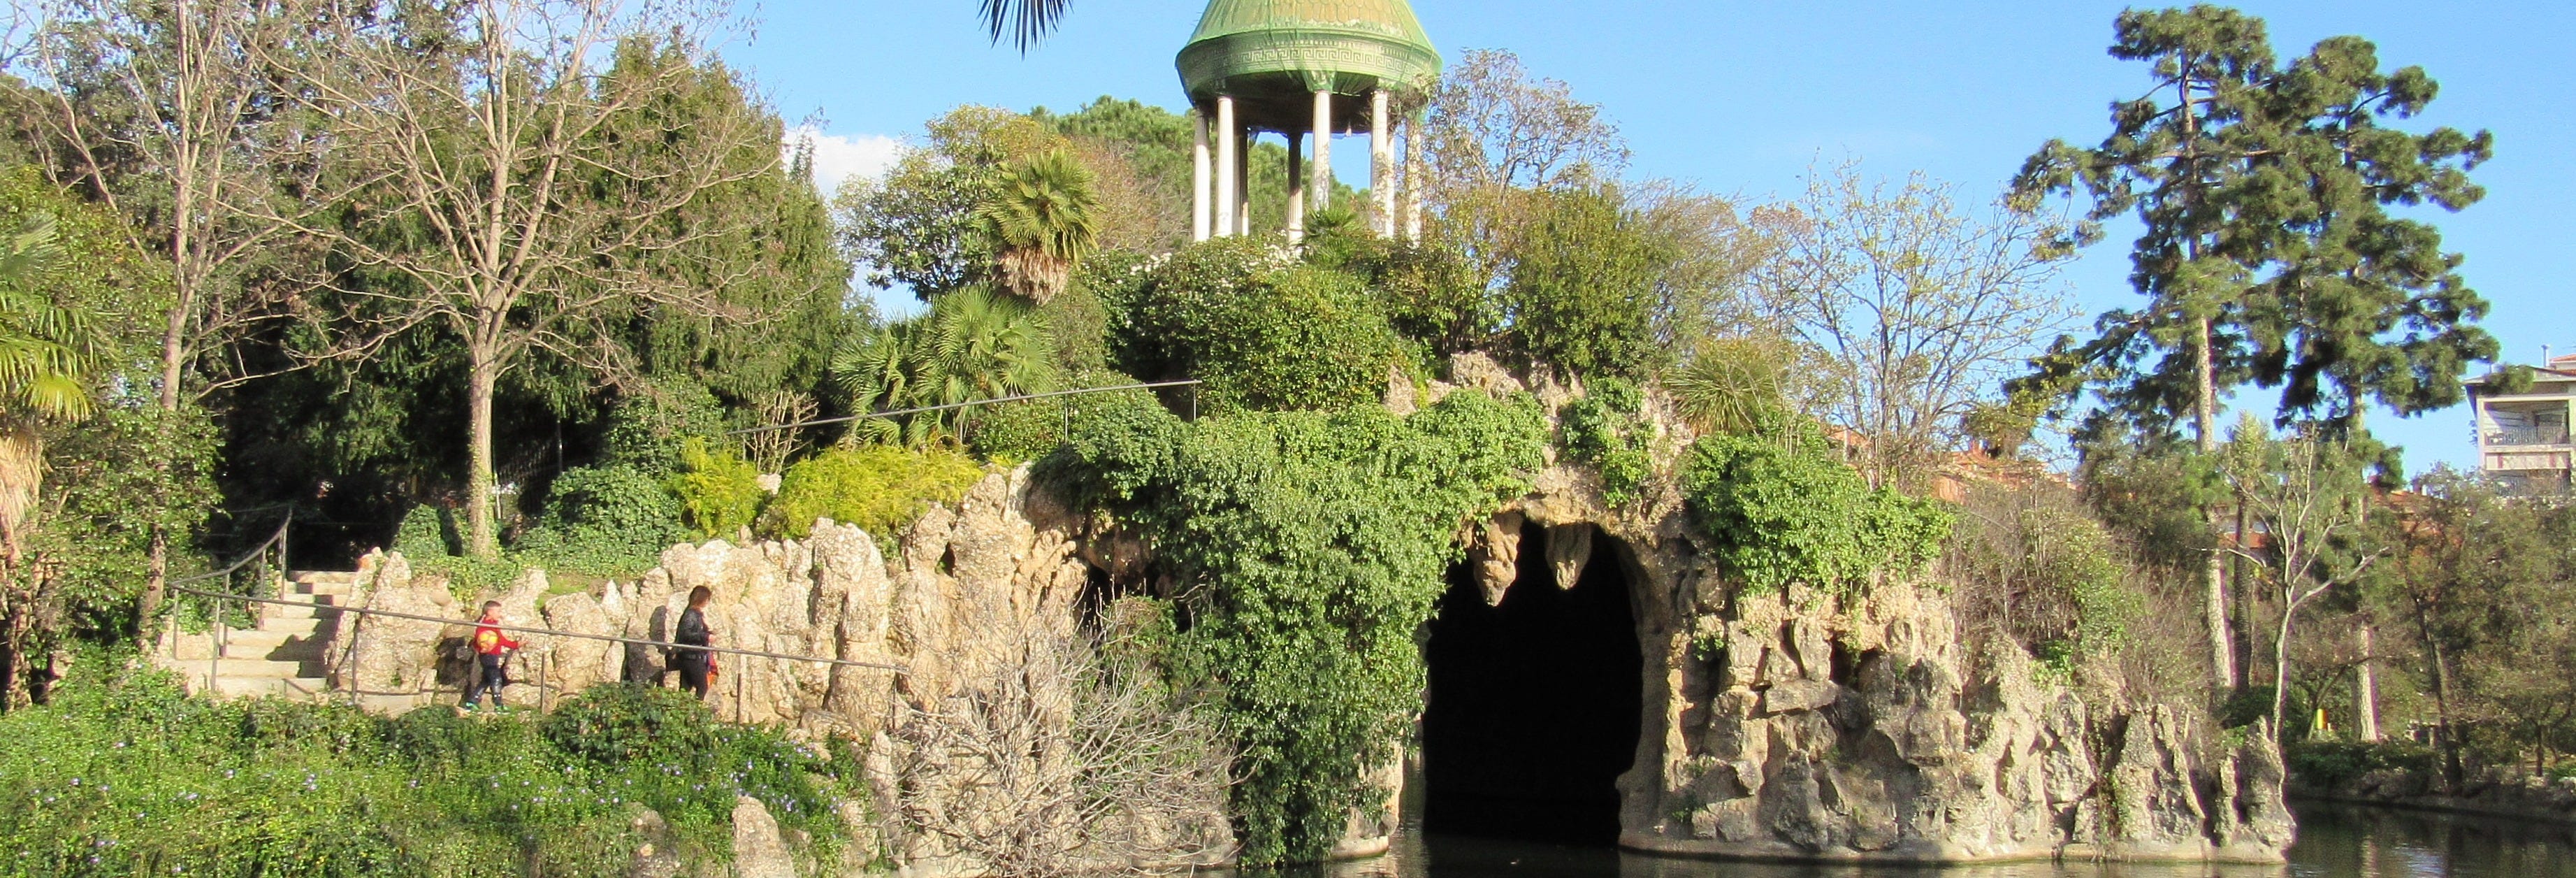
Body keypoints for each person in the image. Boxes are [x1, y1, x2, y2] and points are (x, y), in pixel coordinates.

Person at [461, 600, 520, 712]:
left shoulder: (494, 624)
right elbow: (479, 639)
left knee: (486, 680)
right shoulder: (483, 624)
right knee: (496, 678)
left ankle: (472, 702)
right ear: (490, 611)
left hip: (494, 655)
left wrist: (515, 645)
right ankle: (498, 705)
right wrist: (481, 648)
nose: (500, 614)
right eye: (498, 611)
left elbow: (500, 640)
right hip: (488, 655)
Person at [674, 586, 715, 698]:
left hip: (692, 654)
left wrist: (708, 630)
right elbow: (686, 634)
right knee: (702, 686)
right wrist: (705, 637)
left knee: (685, 688)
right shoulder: (691, 614)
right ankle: (695, 712)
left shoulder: (696, 614)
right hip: (691, 656)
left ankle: (681, 711)